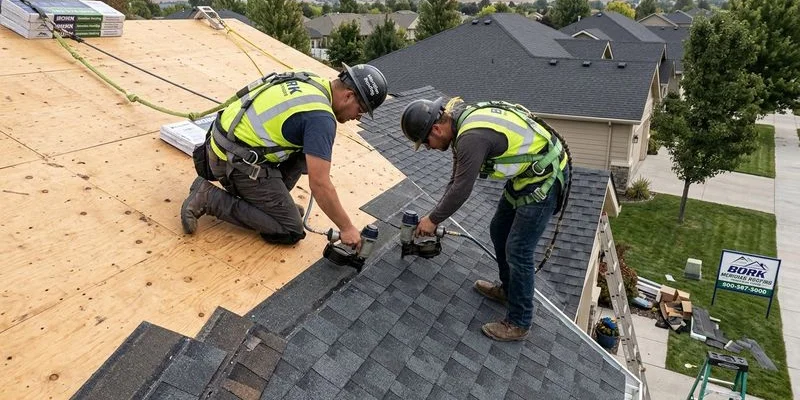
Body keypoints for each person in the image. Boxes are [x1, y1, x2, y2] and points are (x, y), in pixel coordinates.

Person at [400, 97, 569, 341]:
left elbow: (462, 189)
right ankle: (509, 290)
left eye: (426, 142)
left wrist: (433, 220)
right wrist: (432, 217)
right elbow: (456, 181)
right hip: (528, 176)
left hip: (546, 179)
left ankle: (519, 322)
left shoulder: (471, 138)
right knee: (498, 229)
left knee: (518, 250)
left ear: (436, 129)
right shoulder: (462, 126)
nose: (429, 147)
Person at [181, 64, 388, 248]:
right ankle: (208, 198)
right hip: (232, 161)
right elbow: (320, 184)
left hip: (222, 143)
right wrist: (347, 228)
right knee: (290, 230)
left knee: (305, 156)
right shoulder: (321, 118)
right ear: (348, 95)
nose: (357, 117)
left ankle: (272, 205)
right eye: (360, 110)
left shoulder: (310, 80)